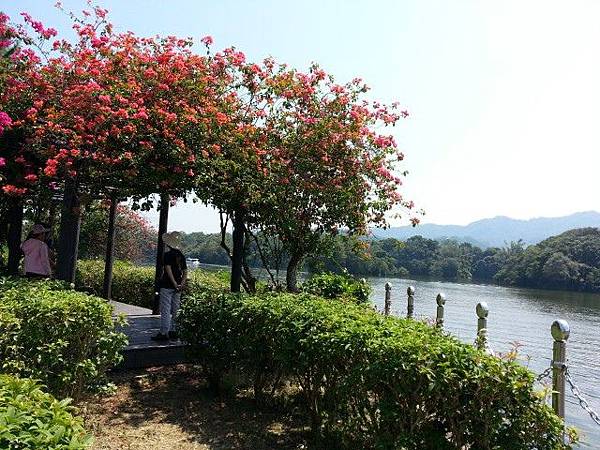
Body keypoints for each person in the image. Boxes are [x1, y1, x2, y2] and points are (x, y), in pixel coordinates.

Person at [152, 231, 187, 341]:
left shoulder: (167, 255)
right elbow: (185, 271)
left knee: (166, 309)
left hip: (167, 285)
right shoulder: (181, 255)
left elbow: (168, 270)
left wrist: (174, 283)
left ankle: (163, 333)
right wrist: (181, 283)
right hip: (178, 286)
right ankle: (174, 331)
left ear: (167, 243)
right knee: (176, 309)